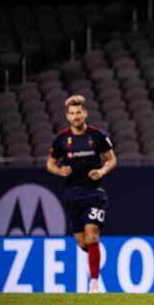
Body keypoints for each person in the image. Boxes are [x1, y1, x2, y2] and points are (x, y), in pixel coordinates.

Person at [46, 94, 116, 293]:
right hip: (72, 195)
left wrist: (101, 171)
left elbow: (112, 160)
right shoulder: (61, 139)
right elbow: (50, 164)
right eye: (72, 113)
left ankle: (93, 283)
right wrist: (60, 171)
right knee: (83, 241)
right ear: (68, 116)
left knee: (92, 234)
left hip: (94, 192)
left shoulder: (97, 136)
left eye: (79, 112)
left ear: (85, 113)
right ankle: (93, 255)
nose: (76, 116)